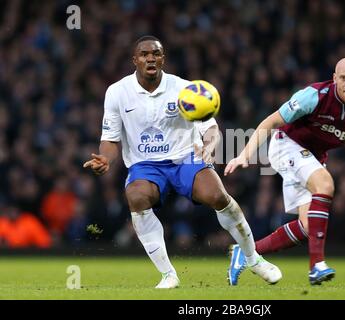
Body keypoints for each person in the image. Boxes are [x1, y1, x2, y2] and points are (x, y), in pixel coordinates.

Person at [83, 35, 282, 289]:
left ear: (163, 58)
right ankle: (168, 275)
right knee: (136, 196)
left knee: (218, 195)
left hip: (185, 158)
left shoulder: (184, 89)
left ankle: (253, 259)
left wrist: (210, 146)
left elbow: (210, 126)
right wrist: (105, 159)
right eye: (144, 54)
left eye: (156, 53)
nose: (150, 58)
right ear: (135, 60)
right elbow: (110, 139)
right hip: (145, 165)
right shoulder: (117, 92)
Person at [224, 57, 345, 285]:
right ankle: (317, 266)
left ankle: (246, 253)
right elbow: (271, 121)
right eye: (343, 78)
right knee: (326, 184)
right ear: (334, 79)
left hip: (313, 157)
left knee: (309, 227)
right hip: (286, 145)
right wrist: (245, 154)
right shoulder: (314, 96)